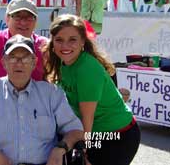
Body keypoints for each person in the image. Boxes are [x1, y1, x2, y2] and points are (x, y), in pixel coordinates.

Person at [0, 34, 86, 165]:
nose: (19, 63)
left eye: (25, 58)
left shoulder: (52, 93)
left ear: (34, 63)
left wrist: (60, 149)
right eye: (13, 58)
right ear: (3, 62)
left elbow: (75, 130)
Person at [43, 14, 140, 165]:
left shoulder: (86, 68)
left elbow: (86, 117)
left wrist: (84, 150)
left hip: (117, 135)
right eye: (59, 40)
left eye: (72, 40)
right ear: (52, 42)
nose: (65, 46)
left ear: (83, 41)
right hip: (95, 133)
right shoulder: (62, 63)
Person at [0, 0, 48, 84]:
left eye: (29, 17)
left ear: (35, 21)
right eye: (18, 16)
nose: (23, 22)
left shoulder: (44, 45)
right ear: (7, 19)